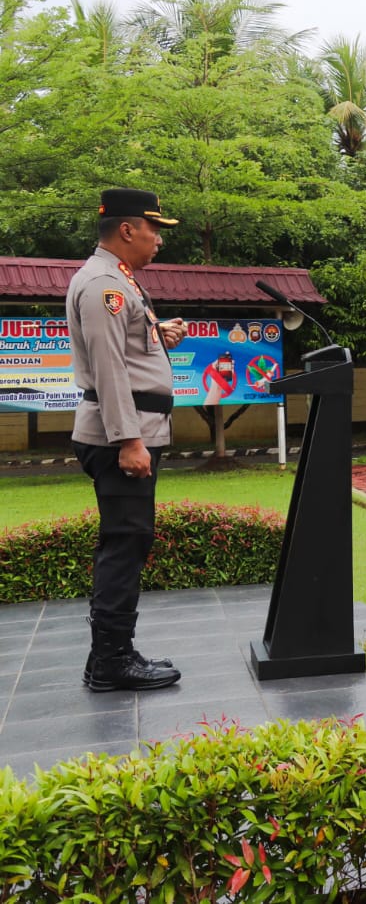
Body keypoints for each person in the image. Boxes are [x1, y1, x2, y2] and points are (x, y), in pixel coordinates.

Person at [67, 187, 187, 692]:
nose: (159, 239)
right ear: (127, 229)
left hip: (134, 430)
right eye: (154, 228)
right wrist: (128, 441)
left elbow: (126, 348)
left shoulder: (119, 281)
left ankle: (113, 653)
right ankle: (111, 659)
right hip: (123, 435)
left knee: (128, 541)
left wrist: (160, 335)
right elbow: (109, 368)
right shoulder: (103, 286)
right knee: (124, 543)